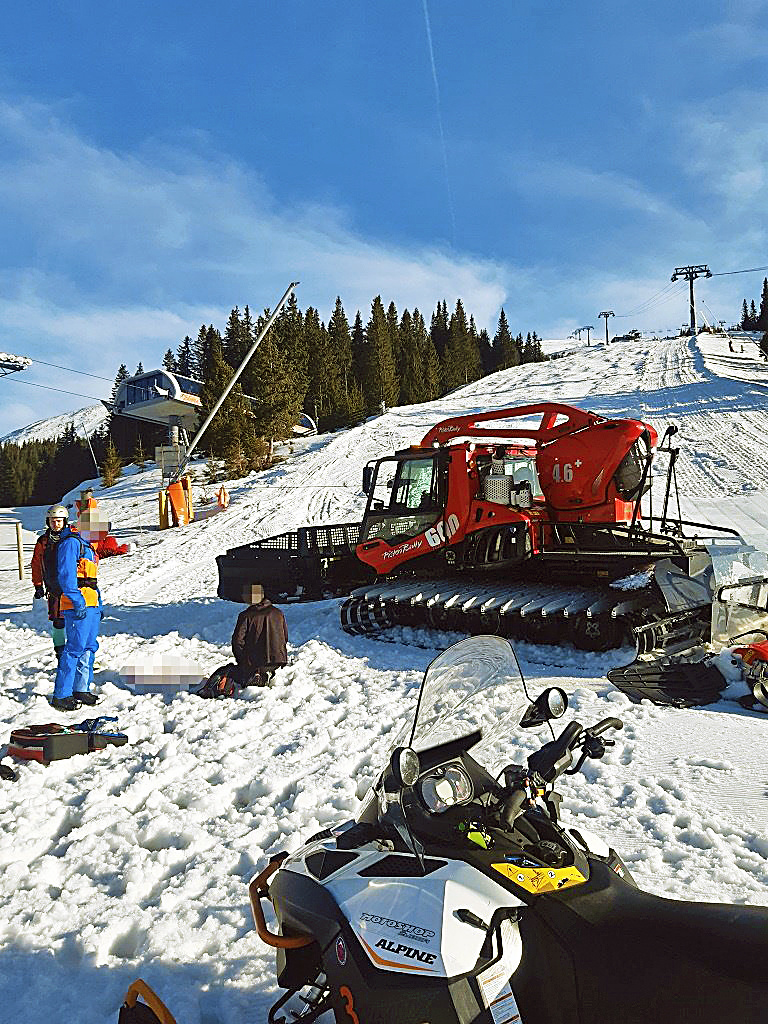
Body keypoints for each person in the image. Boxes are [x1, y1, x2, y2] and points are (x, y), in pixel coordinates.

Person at [49, 519, 103, 711]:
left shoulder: (89, 547)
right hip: (77, 605)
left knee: (89, 647)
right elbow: (66, 576)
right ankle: (62, 694)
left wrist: (99, 603)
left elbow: (92, 581)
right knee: (74, 649)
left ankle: (81, 689)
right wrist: (77, 600)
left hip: (91, 604)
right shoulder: (72, 543)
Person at [31, 505, 70, 659]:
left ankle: (76, 652)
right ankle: (60, 652)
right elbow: (36, 564)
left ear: (65, 522)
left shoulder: (71, 539)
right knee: (58, 622)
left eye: (59, 521)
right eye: (53, 521)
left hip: (72, 588)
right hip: (53, 588)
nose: (56, 524)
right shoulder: (43, 541)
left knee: (74, 621)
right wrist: (38, 585)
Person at [231, 584, 288, 687]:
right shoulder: (278, 613)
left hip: (255, 664)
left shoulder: (245, 616)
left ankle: (258, 675)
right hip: (278, 661)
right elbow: (285, 637)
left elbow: (237, 641)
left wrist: (243, 661)